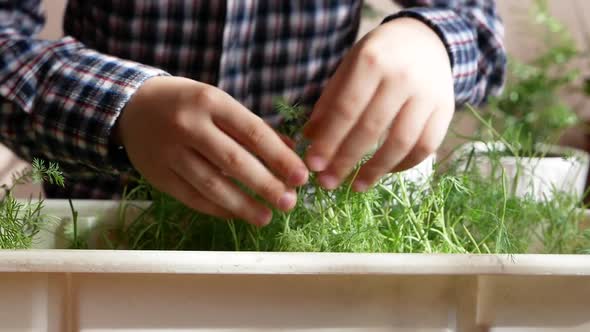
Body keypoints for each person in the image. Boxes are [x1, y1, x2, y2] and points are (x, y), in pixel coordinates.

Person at [0, 1, 506, 226]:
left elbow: (476, 25)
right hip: (107, 237)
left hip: (304, 243)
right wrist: (122, 105)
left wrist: (432, 40)